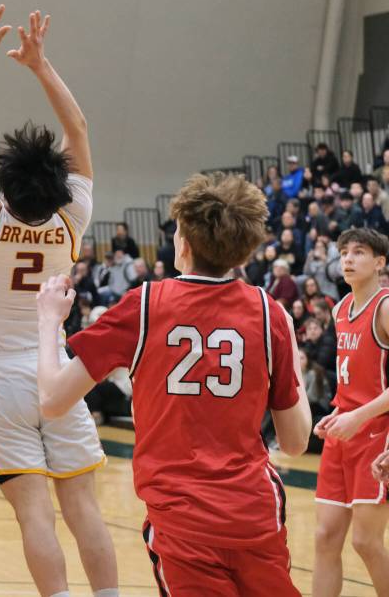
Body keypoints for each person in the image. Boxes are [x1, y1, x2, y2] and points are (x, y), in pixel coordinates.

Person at [37, 172, 310, 596]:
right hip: (256, 514)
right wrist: (288, 342)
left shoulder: (144, 305)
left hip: (183, 520)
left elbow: (53, 399)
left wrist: (48, 321)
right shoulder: (269, 313)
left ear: (182, 242)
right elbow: (294, 442)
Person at [0, 0, 118, 596]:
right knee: (83, 508)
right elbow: (79, 131)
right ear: (59, 184)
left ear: (6, 181)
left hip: (2, 381)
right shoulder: (74, 217)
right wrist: (41, 66)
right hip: (58, 373)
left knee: (34, 514)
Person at [312, 228, 389, 597]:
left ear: (379, 262)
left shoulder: (386, 307)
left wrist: (358, 416)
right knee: (325, 536)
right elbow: (350, 380)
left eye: (359, 252)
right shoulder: (341, 308)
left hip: (377, 436)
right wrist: (338, 411)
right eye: (343, 252)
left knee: (365, 542)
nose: (347, 259)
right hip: (343, 434)